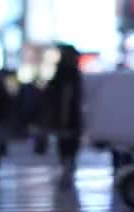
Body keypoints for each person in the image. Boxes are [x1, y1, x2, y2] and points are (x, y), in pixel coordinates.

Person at [45, 44, 83, 187]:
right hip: (68, 116)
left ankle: (67, 169)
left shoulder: (64, 72)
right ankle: (68, 168)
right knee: (69, 143)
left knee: (66, 143)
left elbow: (64, 96)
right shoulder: (69, 72)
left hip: (66, 116)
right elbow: (67, 96)